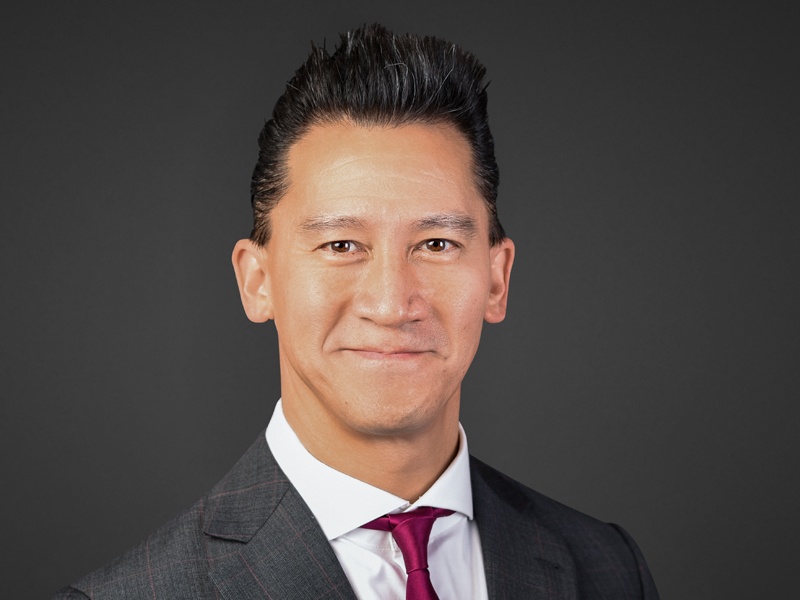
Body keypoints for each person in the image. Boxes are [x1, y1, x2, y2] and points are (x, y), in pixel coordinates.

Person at [54, 23, 659, 599]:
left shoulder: (608, 570)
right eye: (341, 245)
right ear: (257, 281)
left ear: (497, 280)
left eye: (437, 244)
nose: (392, 305)